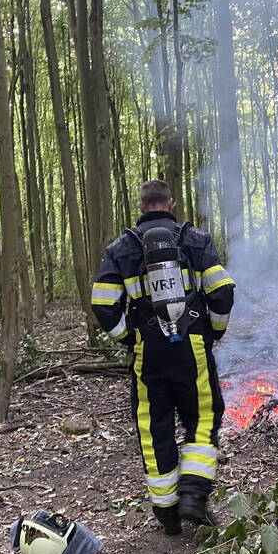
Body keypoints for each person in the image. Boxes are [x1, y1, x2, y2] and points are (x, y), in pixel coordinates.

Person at [91, 180, 235, 533]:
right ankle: (193, 495)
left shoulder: (122, 248)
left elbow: (103, 305)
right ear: (171, 204)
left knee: (154, 428)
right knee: (203, 417)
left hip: (148, 353)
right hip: (193, 346)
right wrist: (212, 332)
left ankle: (167, 513)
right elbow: (221, 292)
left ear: (141, 207)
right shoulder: (195, 240)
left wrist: (131, 338)